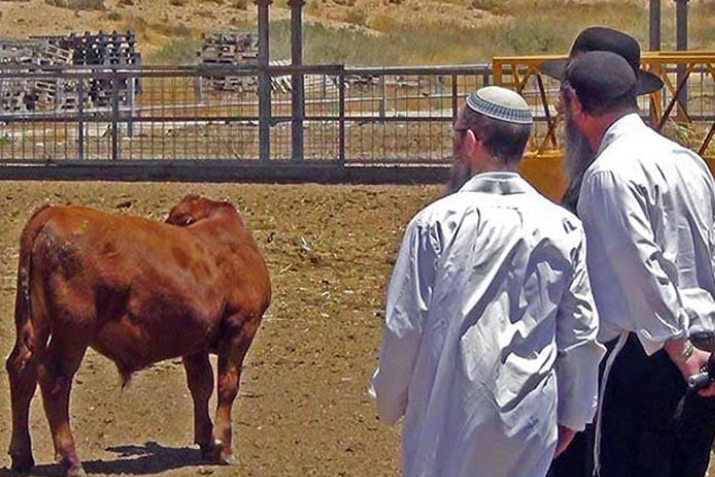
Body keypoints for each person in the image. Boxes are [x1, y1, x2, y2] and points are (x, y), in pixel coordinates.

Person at [369, 85, 605, 477]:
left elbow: (405, 325)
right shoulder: (562, 226)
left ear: (470, 142)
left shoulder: (435, 224)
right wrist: (575, 413)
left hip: (449, 412)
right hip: (529, 416)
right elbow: (579, 331)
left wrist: (389, 400)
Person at [558, 50, 715, 477]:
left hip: (646, 353)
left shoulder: (608, 173)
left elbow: (641, 269)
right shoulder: (688, 162)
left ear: (576, 104)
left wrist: (682, 352)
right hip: (702, 346)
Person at [538, 26, 664, 214]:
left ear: (578, 103)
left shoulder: (605, 178)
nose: (559, 107)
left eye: (567, 96)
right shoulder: (686, 163)